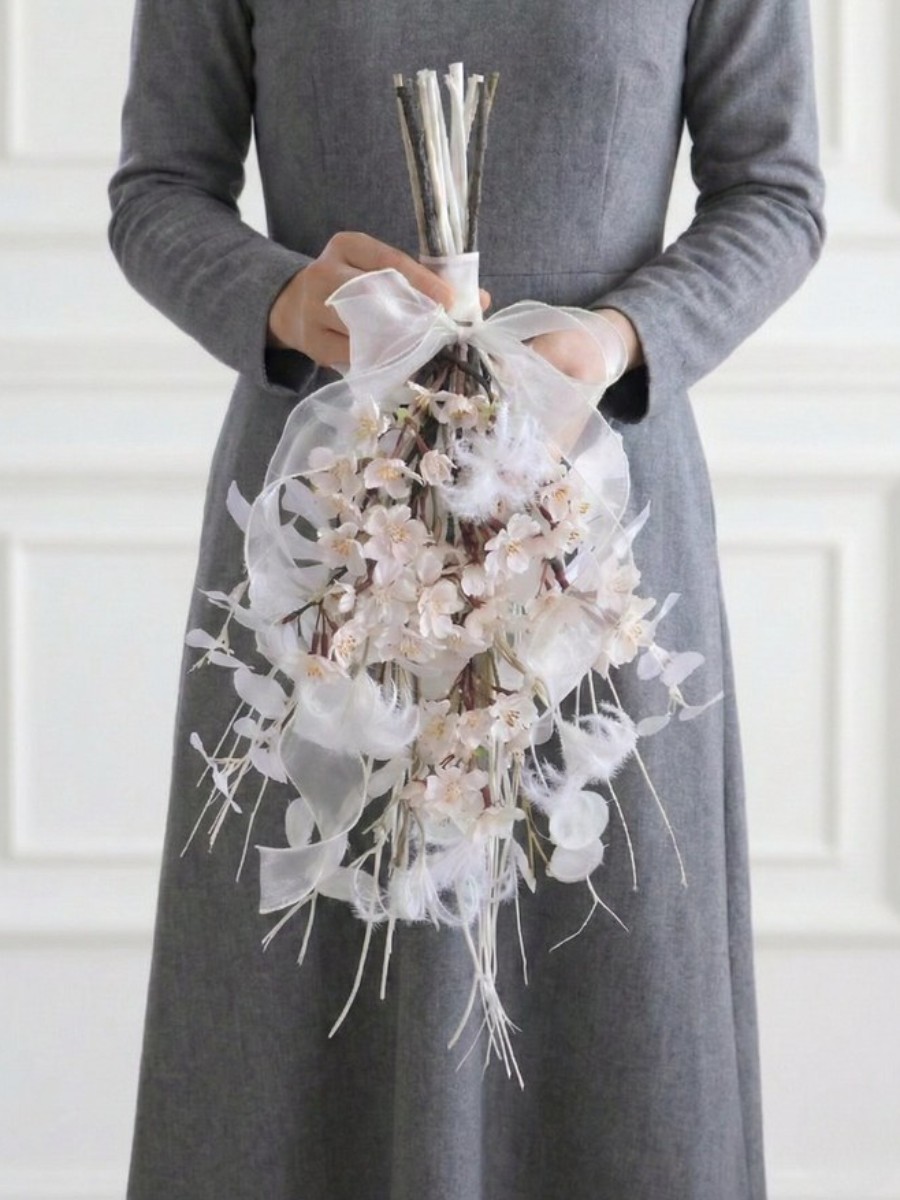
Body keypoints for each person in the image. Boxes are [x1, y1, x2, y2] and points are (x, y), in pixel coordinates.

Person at [107, 1, 826, 1197]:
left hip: (598, 521)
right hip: (327, 523)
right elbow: (158, 193)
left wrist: (614, 340)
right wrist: (295, 306)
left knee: (622, 1014)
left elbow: (777, 192)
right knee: (292, 1021)